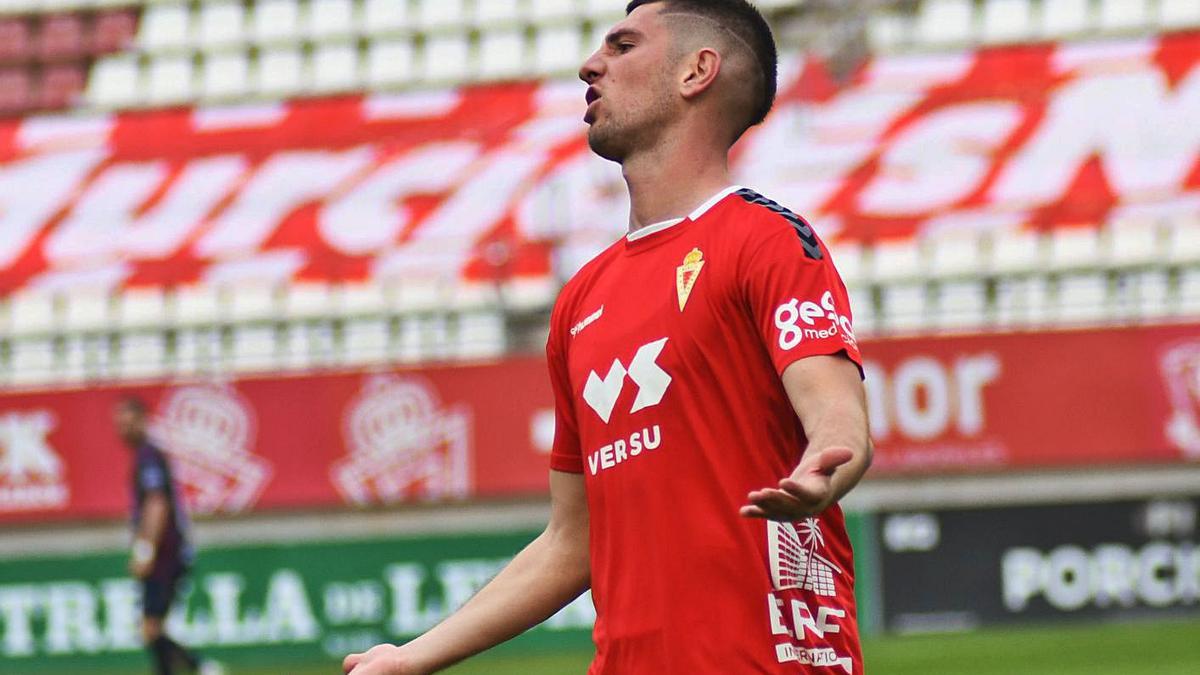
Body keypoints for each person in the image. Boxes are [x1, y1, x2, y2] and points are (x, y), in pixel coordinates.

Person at [344, 1, 872, 672]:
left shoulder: (763, 240)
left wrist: (830, 453)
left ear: (696, 72)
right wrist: (411, 657)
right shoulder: (581, 301)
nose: (590, 65)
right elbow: (573, 538)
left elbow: (836, 410)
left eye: (622, 47)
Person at [116, 396, 222, 675]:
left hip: (165, 554)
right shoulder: (146, 456)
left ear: (143, 421)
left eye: (128, 423)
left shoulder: (149, 457)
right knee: (152, 628)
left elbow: (157, 504)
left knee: (151, 627)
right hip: (167, 553)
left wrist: (145, 551)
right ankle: (199, 667)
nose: (122, 430)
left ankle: (201, 666)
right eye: (119, 425)